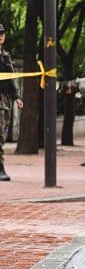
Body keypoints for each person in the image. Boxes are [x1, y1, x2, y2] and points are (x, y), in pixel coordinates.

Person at [0, 24, 23, 181]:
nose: (0, 36)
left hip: (5, 99)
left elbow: (12, 77)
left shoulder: (6, 56)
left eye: (2, 33)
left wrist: (17, 97)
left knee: (3, 133)